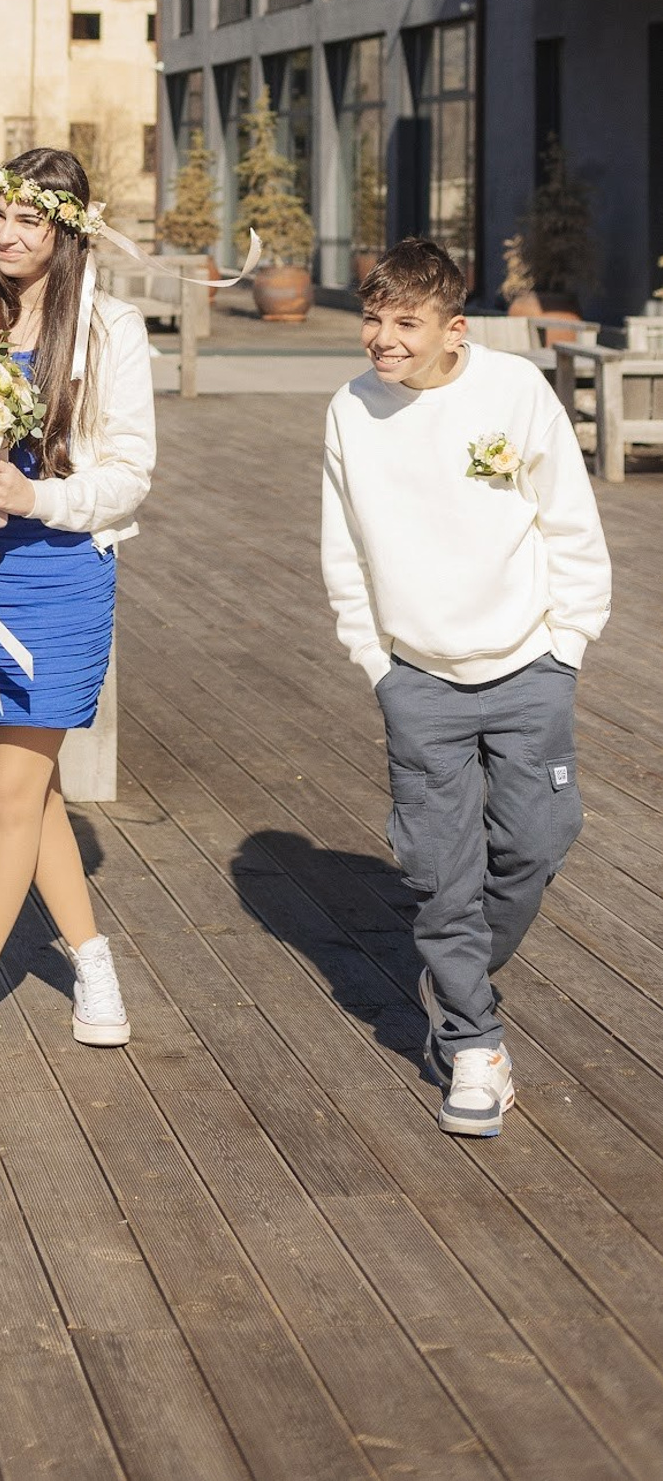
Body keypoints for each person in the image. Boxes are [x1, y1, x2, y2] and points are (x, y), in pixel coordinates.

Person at [322, 235, 611, 1137]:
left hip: (530, 667)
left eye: (405, 322)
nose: (383, 338)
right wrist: (377, 663)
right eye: (373, 319)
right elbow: (345, 550)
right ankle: (475, 1043)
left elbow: (569, 521)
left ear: (453, 328)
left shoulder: (515, 391)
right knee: (440, 870)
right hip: (418, 680)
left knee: (537, 841)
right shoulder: (351, 411)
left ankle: (455, 973)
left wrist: (568, 645)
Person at [0, 148, 154, 1063]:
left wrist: (38, 498)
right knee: (33, 784)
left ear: (68, 232)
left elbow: (130, 474)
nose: (7, 235)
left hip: (58, 574)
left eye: (32, 221)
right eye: (0, 216)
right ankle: (93, 961)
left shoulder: (110, 329)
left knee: (12, 786)